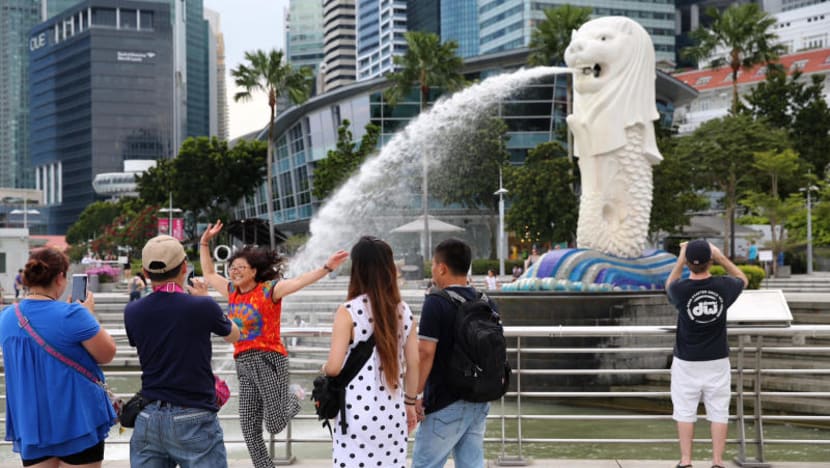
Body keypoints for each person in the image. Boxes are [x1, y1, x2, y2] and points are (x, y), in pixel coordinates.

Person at [199, 220, 349, 468]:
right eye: (232, 268)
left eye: (240, 268)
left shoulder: (270, 290)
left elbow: (300, 282)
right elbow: (208, 274)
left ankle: (295, 395)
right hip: (244, 363)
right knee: (249, 427)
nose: (234, 272)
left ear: (254, 271)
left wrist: (326, 268)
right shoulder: (232, 292)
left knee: (275, 423)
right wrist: (204, 242)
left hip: (269, 359)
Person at [125, 235, 240, 467]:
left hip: (148, 415)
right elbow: (234, 335)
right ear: (184, 267)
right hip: (194, 415)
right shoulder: (202, 306)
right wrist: (206, 299)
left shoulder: (133, 310)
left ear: (146, 273)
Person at [0, 248, 116, 466]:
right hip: (78, 421)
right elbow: (107, 353)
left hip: (32, 426)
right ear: (61, 277)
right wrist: (87, 314)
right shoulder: (73, 314)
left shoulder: (6, 318)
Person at [322, 236, 419, 467]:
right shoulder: (403, 310)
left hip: (354, 413)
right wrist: (410, 403)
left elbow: (334, 367)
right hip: (393, 413)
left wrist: (323, 368)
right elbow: (414, 363)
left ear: (357, 269)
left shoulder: (348, 312)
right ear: (389, 268)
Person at [665, 239, 748, 468]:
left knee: (684, 410)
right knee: (719, 411)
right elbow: (743, 278)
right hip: (717, 360)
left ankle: (686, 460)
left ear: (689, 263)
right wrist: (721, 257)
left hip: (687, 361)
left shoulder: (680, 291)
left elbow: (669, 283)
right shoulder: (723, 286)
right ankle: (718, 461)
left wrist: (681, 257)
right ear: (710, 261)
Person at [412, 238, 493, 468]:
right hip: (479, 399)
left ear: (442, 268)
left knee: (425, 465)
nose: (433, 271)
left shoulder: (435, 302)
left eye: (433, 266)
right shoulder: (486, 301)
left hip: (445, 401)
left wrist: (415, 395)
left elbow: (425, 352)